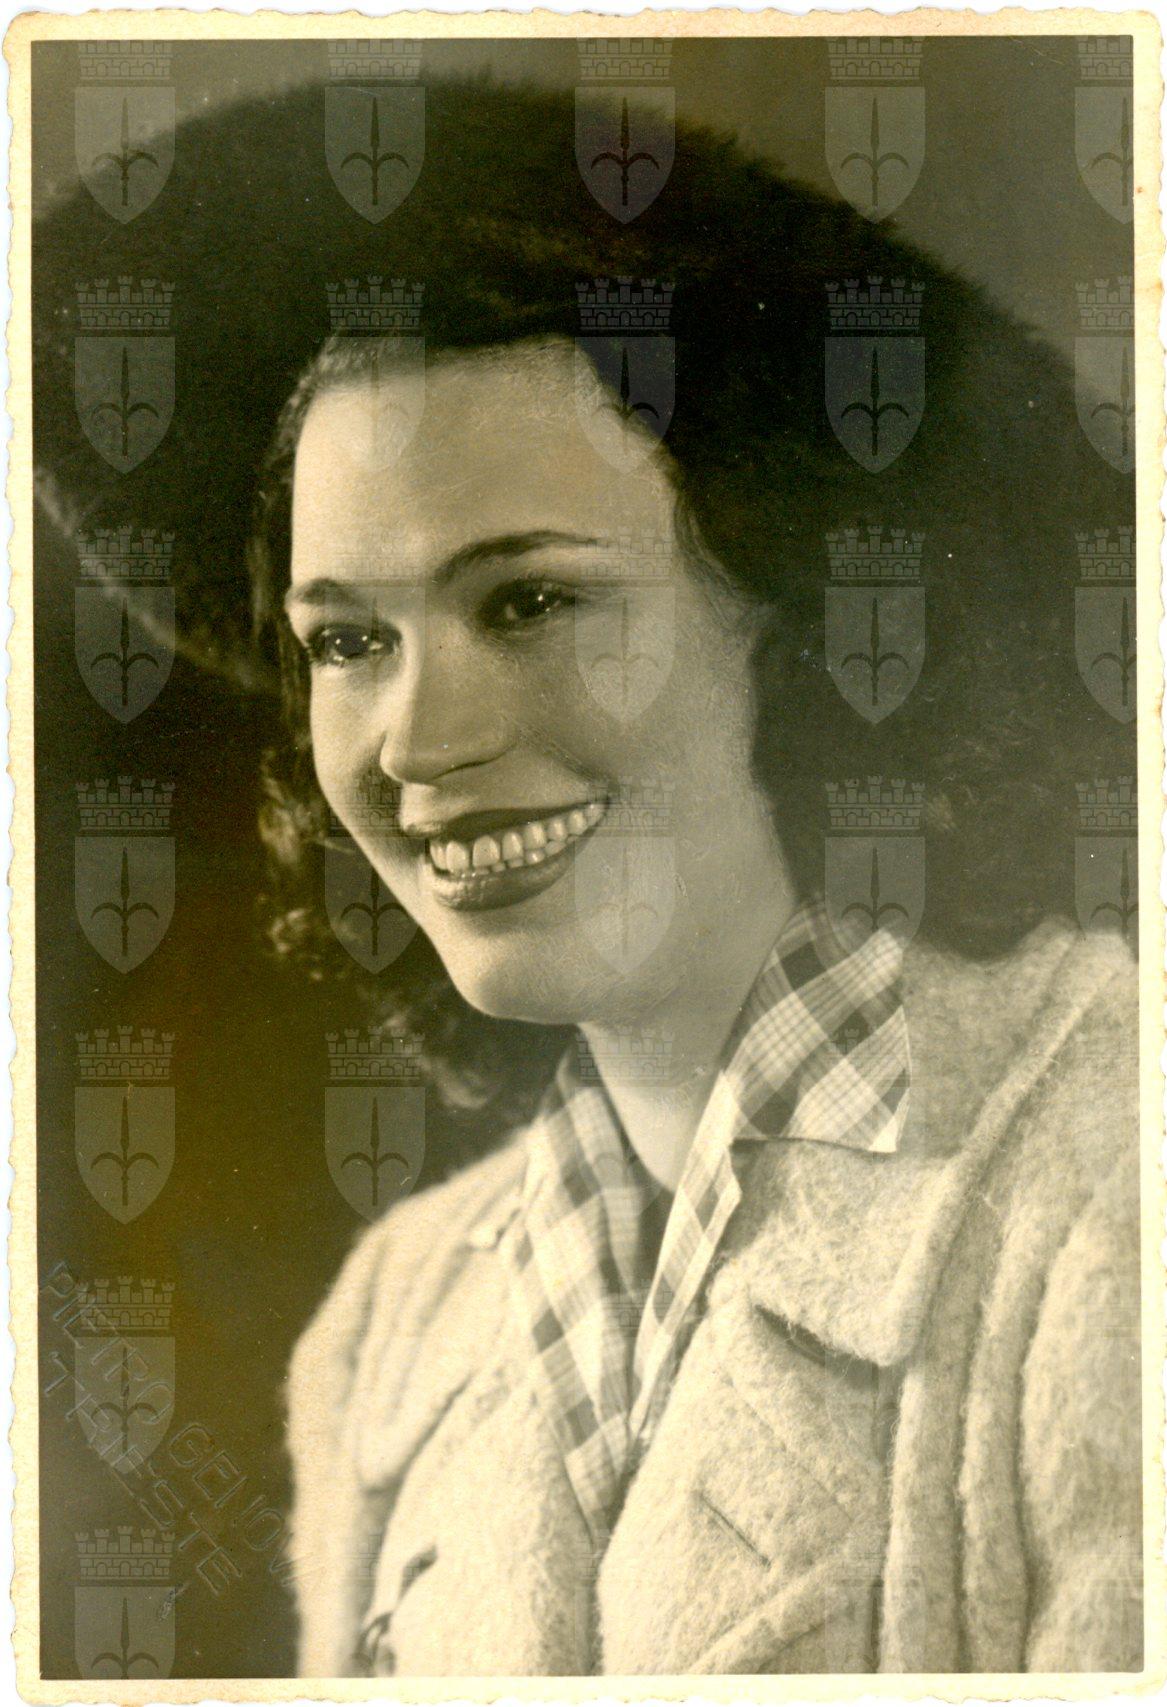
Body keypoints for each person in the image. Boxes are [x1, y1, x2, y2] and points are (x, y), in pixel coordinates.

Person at [35, 74, 1140, 1677]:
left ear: (791, 605)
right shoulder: (393, 1324)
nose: (418, 742)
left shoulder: (1111, 1191)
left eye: (529, 605)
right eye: (348, 641)